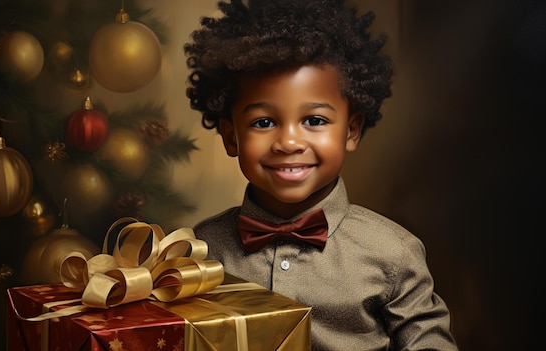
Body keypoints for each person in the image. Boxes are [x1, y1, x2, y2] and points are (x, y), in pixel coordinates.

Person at [184, 0, 457, 349]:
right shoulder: (200, 250)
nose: (289, 142)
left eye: (314, 120)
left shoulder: (394, 253)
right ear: (230, 136)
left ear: (351, 130)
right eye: (264, 122)